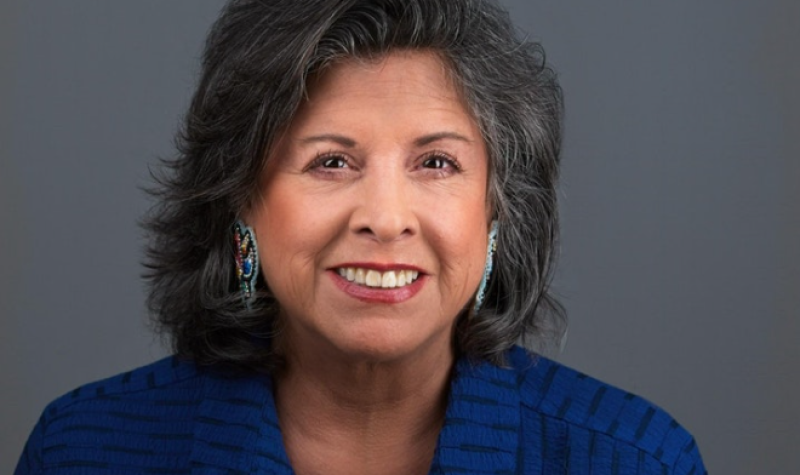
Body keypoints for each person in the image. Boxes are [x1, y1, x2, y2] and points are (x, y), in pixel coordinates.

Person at [15, 0, 706, 474]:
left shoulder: (634, 457)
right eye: (331, 162)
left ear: (498, 213)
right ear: (241, 205)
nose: (385, 216)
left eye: (436, 162)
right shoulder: (85, 449)